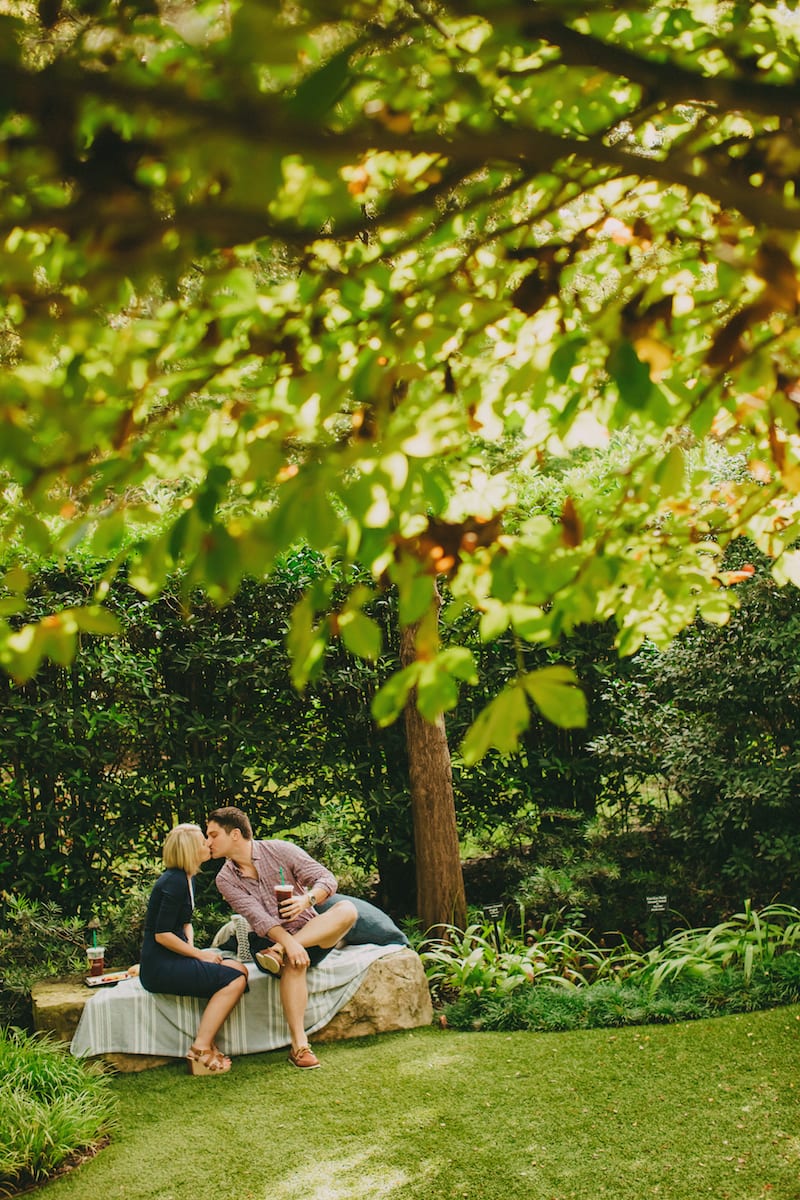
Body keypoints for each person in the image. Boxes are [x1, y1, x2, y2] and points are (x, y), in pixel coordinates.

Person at [206, 806, 357, 1070]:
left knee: (348, 910)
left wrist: (306, 900)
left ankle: (281, 950)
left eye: (213, 835)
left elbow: (326, 879)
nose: (208, 842)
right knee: (295, 962)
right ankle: (300, 1046)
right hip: (266, 941)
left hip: (308, 933)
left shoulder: (280, 850)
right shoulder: (225, 879)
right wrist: (285, 943)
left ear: (235, 834)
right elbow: (259, 919)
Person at [140, 822, 249, 1076]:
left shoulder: (187, 878)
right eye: (203, 842)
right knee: (233, 979)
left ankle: (208, 1043)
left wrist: (194, 952)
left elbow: (184, 923)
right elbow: (163, 934)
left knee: (239, 969)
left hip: (174, 958)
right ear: (190, 849)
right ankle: (200, 1050)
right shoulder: (174, 881)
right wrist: (200, 956)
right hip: (160, 966)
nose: (208, 844)